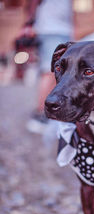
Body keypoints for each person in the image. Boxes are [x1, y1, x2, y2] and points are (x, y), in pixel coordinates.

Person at [20, 0, 74, 133]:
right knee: (50, 71)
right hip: (52, 29)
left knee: (56, 71)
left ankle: (47, 113)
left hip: (60, 29)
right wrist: (30, 23)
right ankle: (41, 115)